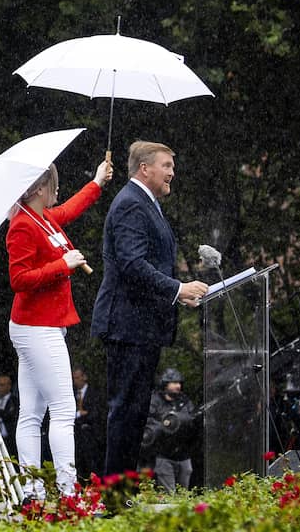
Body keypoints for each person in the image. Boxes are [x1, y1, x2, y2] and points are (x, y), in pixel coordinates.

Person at [90, 141, 208, 476]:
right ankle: (114, 495)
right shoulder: (131, 204)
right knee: (126, 411)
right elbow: (132, 264)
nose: (173, 172)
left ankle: (122, 490)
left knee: (135, 412)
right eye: (167, 165)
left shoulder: (146, 203)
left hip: (141, 327)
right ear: (145, 168)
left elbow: (147, 263)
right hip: (128, 326)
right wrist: (177, 288)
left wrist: (178, 294)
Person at [6, 156, 112, 500]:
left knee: (32, 414)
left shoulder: (43, 218)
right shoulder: (22, 224)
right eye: (53, 183)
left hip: (43, 325)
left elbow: (70, 209)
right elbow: (19, 280)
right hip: (36, 326)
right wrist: (61, 264)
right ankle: (69, 492)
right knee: (64, 409)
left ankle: (32, 491)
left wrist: (97, 182)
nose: (57, 189)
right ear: (39, 188)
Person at [141, 368, 197, 492]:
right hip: (163, 455)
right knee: (169, 496)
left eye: (179, 383)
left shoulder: (184, 401)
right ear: (165, 384)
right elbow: (147, 423)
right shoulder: (154, 401)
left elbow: (192, 419)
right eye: (174, 382)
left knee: (184, 494)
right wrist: (165, 424)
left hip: (183, 454)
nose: (178, 386)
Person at [72, 365, 104, 480]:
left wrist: (81, 414)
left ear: (84, 377)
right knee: (80, 466)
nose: (76, 381)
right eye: (74, 378)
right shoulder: (72, 394)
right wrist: (81, 413)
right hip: (77, 436)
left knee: (93, 465)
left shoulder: (94, 393)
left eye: (78, 377)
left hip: (91, 436)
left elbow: (95, 413)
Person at [0, 374, 19, 458]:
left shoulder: (14, 401)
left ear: (9, 386)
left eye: (2, 385)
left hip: (10, 437)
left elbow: (11, 416)